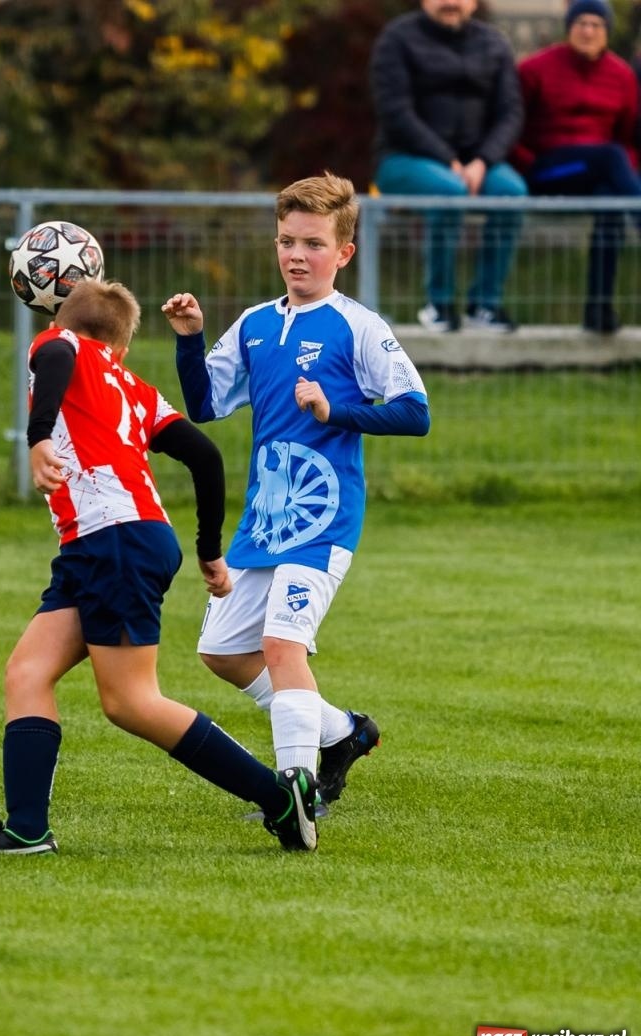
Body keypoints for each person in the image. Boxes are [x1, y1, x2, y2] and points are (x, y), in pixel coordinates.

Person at [0, 278, 320, 857]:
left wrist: (37, 438)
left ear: (61, 324)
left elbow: (56, 355)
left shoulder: (60, 344)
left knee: (131, 701)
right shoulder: (135, 388)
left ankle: (279, 799)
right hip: (108, 542)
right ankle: (27, 830)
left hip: (116, 541)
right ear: (123, 348)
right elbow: (205, 455)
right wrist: (209, 550)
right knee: (26, 673)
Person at [160, 173, 430, 814]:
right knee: (222, 650)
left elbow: (415, 412)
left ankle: (295, 793)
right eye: (287, 241)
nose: (297, 256)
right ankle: (342, 733)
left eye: (313, 244)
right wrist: (190, 338)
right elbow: (204, 404)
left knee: (282, 646)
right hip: (265, 519)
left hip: (324, 519)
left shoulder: (358, 326)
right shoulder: (255, 324)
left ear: (344, 253)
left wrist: (337, 411)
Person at [370, 0, 525, 333]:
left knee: (512, 192)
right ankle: (438, 303)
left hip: (477, 162)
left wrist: (483, 160)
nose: (451, 3)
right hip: (404, 159)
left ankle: (485, 304)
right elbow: (395, 112)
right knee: (448, 190)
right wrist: (447, 159)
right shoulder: (397, 39)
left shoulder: (494, 43)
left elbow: (510, 112)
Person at [512, 0, 641, 335]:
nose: (588, 31)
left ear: (607, 32)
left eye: (596, 24)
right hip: (546, 170)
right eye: (580, 23)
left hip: (598, 172)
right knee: (611, 157)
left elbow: (627, 135)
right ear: (568, 28)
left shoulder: (622, 76)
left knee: (611, 200)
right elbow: (512, 124)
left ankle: (599, 310)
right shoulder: (535, 68)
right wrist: (526, 163)